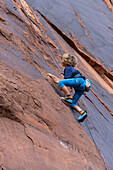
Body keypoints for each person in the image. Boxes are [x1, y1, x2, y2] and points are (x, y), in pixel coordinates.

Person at [47, 53, 91, 121]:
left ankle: (69, 96)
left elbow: (65, 79)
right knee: (73, 103)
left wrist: (56, 77)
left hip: (79, 81)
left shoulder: (68, 68)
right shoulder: (72, 69)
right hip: (82, 88)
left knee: (61, 82)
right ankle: (82, 113)